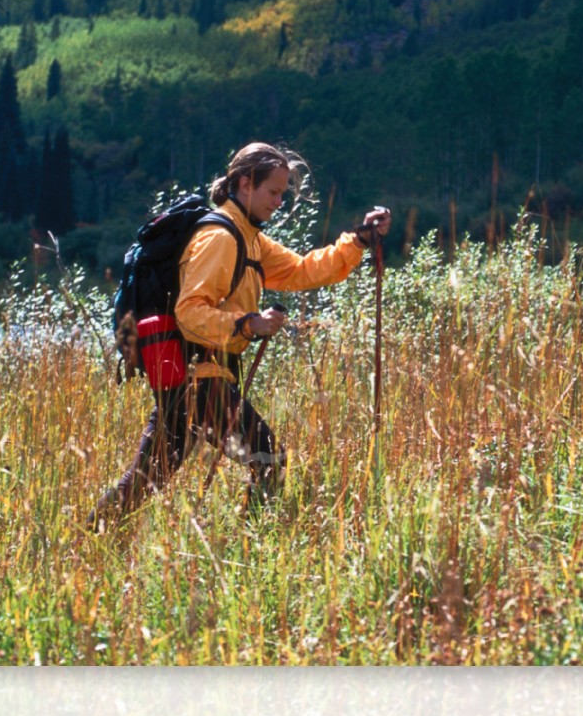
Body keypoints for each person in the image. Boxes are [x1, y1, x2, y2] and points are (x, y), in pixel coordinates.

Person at [92, 141, 389, 526]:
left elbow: (302, 271)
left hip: (190, 382)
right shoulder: (220, 238)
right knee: (270, 460)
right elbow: (189, 311)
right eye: (274, 191)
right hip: (200, 380)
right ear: (245, 183)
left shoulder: (249, 238)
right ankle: (253, 547)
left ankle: (85, 539)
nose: (279, 201)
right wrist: (248, 323)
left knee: (144, 482)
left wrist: (359, 240)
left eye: (283, 193)